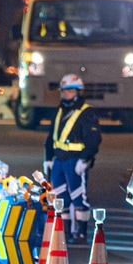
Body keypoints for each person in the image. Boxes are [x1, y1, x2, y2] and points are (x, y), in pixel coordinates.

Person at [43, 73, 102, 243]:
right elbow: (52, 136)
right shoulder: (61, 110)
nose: (65, 94)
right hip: (59, 161)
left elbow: (94, 139)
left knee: (79, 198)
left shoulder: (86, 112)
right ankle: (66, 231)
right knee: (61, 198)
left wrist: (85, 160)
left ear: (78, 92)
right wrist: (48, 157)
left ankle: (81, 233)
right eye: (63, 91)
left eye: (68, 91)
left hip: (75, 161)